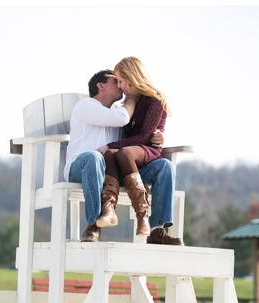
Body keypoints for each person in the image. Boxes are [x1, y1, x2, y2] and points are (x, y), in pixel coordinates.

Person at [66, 69, 180, 245]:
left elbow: (134, 137)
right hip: (81, 168)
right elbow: (121, 118)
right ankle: (93, 224)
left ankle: (157, 230)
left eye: (121, 81)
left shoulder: (116, 113)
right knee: (94, 157)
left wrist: (160, 135)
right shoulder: (86, 106)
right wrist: (132, 98)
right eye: (115, 81)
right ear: (100, 86)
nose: (120, 84)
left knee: (164, 166)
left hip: (110, 173)